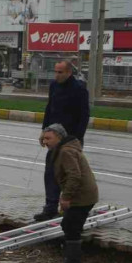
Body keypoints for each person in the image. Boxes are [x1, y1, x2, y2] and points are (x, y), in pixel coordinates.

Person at [35, 60, 90, 222]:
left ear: (68, 73)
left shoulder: (79, 89)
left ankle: (71, 207)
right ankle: (50, 207)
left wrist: (78, 138)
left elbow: (84, 116)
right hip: (54, 138)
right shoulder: (54, 86)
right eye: (55, 72)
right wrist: (44, 131)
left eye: (60, 72)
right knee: (50, 172)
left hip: (71, 138)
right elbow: (49, 108)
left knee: (71, 174)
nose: (57, 75)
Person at [41, 124, 98, 263]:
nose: (45, 141)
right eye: (43, 138)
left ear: (59, 137)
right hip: (82, 195)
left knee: (72, 228)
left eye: (48, 138)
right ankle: (70, 262)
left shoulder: (66, 151)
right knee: (68, 225)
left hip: (82, 197)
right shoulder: (63, 149)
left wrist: (65, 198)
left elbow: (74, 176)